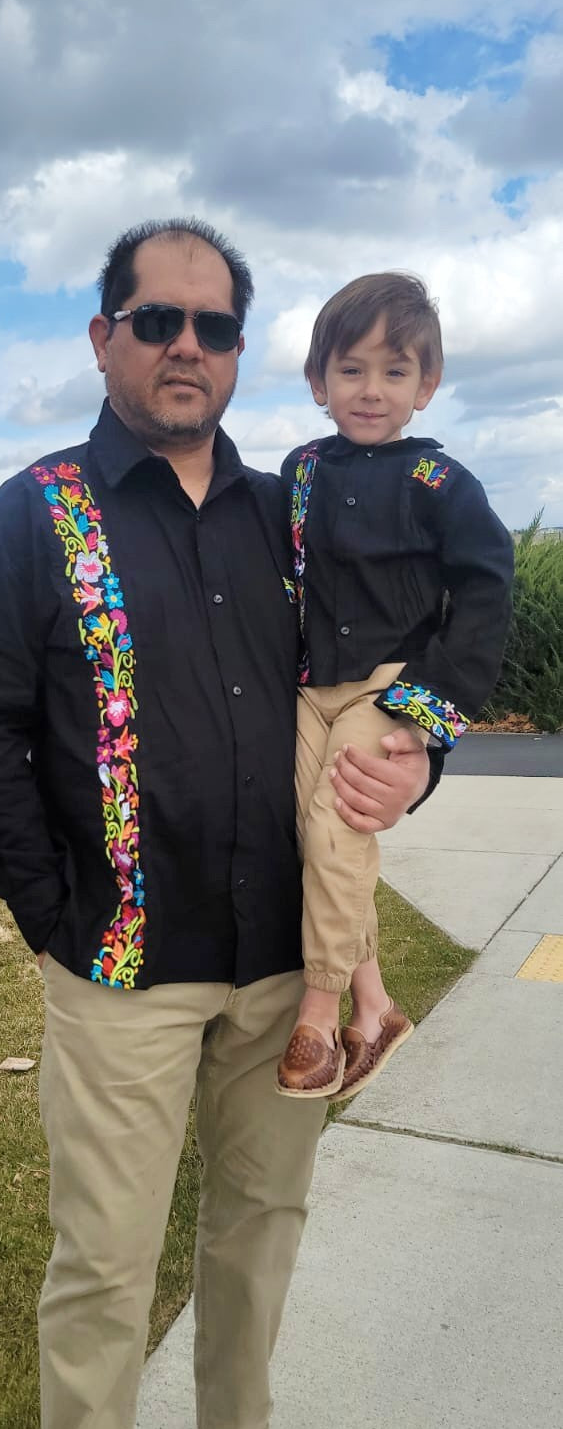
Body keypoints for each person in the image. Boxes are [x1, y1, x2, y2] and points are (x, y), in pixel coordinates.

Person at [0, 222, 439, 1429]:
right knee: (101, 1266)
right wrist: (61, 916)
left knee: (260, 1223)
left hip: (286, 971)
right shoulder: (29, 518)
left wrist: (419, 749)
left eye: (212, 328)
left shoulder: (296, 519)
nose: (185, 348)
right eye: (156, 321)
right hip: (121, 973)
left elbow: (388, 671)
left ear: (238, 354)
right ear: (102, 338)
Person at [276, 272, 513, 1102]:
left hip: (389, 686)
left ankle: (317, 1008)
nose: (370, 389)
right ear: (317, 381)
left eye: (394, 371)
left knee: (338, 828)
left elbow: (486, 593)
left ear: (426, 386)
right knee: (305, 836)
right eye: (350, 370)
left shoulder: (440, 485)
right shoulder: (299, 472)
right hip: (309, 688)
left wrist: (428, 715)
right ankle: (375, 1008)